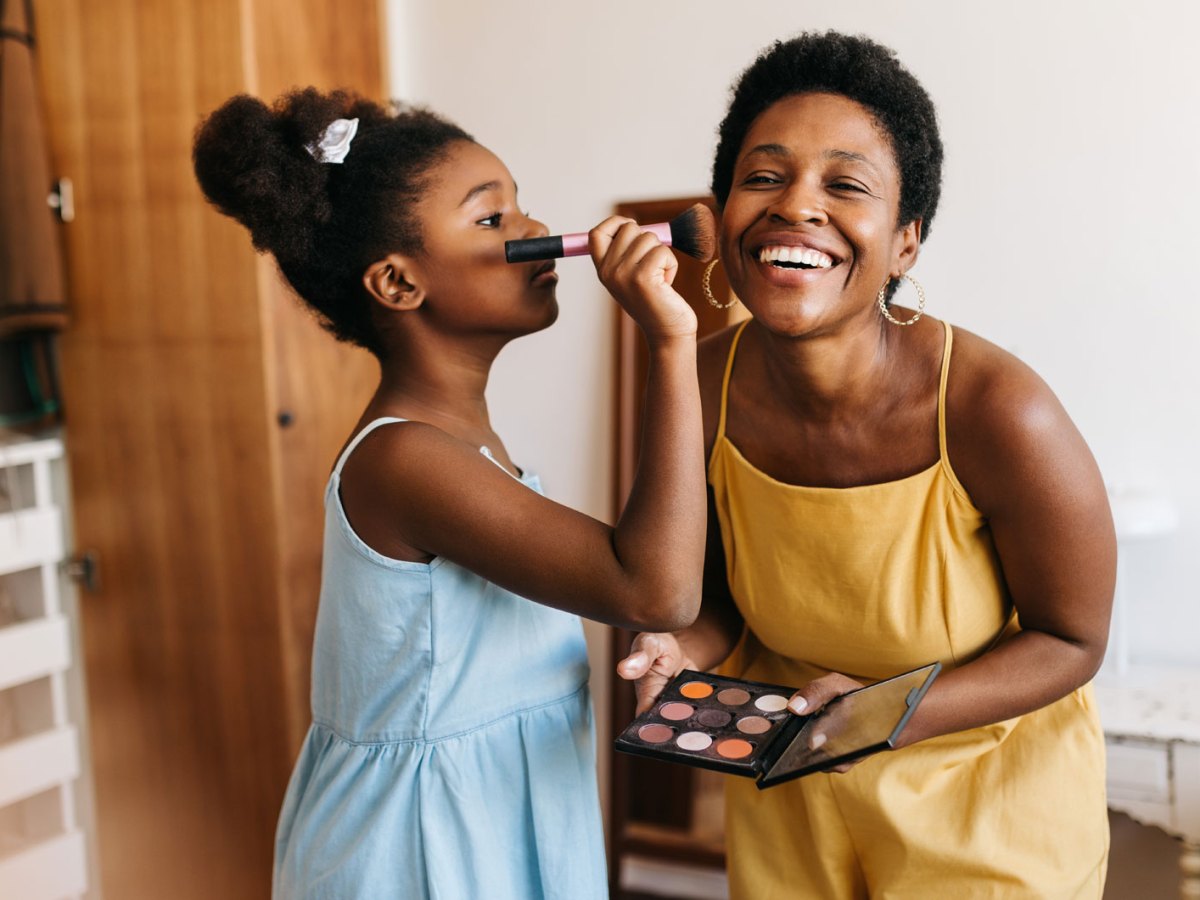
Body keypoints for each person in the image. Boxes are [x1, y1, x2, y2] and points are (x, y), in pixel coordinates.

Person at [617, 31, 1115, 898]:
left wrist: (887, 714)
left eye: (844, 186)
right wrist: (676, 646)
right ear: (722, 213)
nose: (795, 207)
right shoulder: (696, 385)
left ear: (906, 243)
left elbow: (1072, 639)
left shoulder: (998, 410)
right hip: (794, 788)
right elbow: (718, 596)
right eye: (763, 178)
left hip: (981, 802)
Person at [192, 88, 706, 900]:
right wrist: (672, 343)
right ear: (399, 283)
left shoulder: (468, 445)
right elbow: (656, 588)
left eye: (519, 205)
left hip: (495, 817)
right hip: (421, 845)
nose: (534, 228)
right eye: (492, 218)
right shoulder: (406, 460)